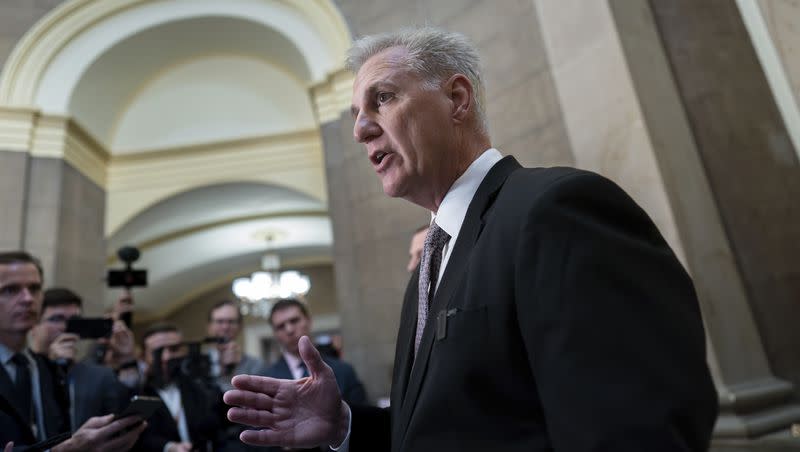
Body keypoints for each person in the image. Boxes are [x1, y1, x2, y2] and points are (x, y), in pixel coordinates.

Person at [223, 27, 718, 451]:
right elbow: (456, 427)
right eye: (355, 111)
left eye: (383, 98)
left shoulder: (557, 210)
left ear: (457, 99)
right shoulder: (428, 266)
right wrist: (345, 426)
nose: (359, 130)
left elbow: (633, 429)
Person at [0, 251, 145, 452]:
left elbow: (55, 434)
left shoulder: (44, 368)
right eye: (9, 290)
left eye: (34, 288)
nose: (27, 298)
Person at [28, 288, 130, 430]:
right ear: (33, 325)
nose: (66, 327)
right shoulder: (18, 370)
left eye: (74, 321)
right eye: (57, 319)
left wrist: (126, 359)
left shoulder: (99, 376)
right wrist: (50, 366)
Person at [134, 322, 226, 452]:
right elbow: (139, 439)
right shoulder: (137, 392)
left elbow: (221, 431)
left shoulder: (200, 388)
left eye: (174, 349)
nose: (166, 357)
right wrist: (168, 447)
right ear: (144, 357)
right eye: (157, 352)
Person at [264, 299, 366, 406]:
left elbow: (362, 416)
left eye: (294, 321)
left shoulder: (344, 371)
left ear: (309, 321)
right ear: (275, 334)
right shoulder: (267, 380)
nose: (289, 330)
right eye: (281, 326)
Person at [207, 300, 269, 392]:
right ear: (210, 326)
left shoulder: (256, 365)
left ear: (240, 326)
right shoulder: (198, 363)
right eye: (220, 321)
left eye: (231, 321)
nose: (225, 327)